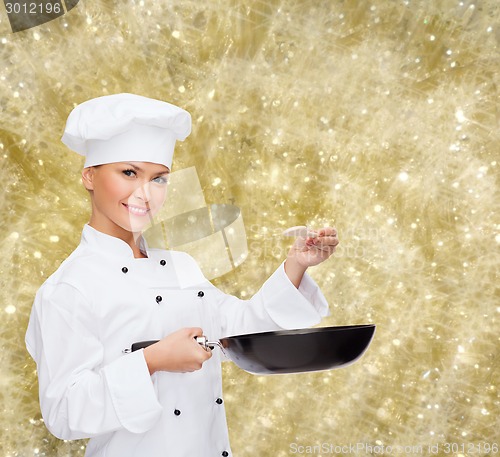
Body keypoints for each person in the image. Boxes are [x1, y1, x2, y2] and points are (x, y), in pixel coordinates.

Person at [25, 93, 339, 457]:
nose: (145, 194)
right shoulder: (69, 288)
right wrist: (152, 361)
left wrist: (296, 264)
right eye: (129, 173)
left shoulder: (181, 266)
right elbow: (64, 412)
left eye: (159, 179)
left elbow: (241, 330)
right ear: (89, 176)